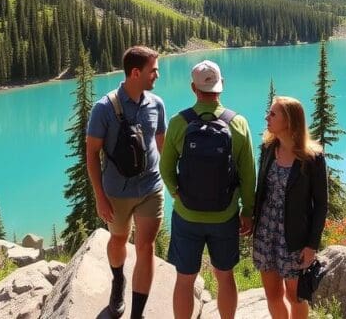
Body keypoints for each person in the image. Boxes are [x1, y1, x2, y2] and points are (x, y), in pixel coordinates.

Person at [160, 60, 256, 319]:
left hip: (186, 215)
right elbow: (248, 175)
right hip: (224, 215)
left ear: (194, 88)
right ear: (221, 85)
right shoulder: (237, 123)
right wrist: (247, 211)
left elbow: (165, 168)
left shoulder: (179, 123)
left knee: (185, 279)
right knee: (225, 276)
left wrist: (178, 194)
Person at [86, 46, 166, 319]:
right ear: (136, 73)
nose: (157, 75)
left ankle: (137, 314)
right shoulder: (103, 109)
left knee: (145, 247)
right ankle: (118, 280)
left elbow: (161, 145)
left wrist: (172, 180)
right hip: (117, 192)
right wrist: (99, 196)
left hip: (151, 189)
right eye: (153, 70)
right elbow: (91, 153)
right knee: (118, 238)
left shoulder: (157, 104)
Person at [253, 96, 328, 319]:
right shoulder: (268, 148)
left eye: (273, 114)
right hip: (266, 233)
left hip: (294, 238)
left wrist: (311, 245)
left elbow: (321, 205)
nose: (267, 117)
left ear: (290, 120)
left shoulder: (312, 158)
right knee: (273, 295)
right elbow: (261, 190)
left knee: (295, 296)